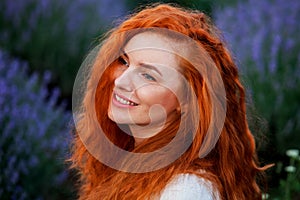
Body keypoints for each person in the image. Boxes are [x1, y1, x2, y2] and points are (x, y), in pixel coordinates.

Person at [70, 3, 268, 200]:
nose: (120, 81)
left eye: (148, 76)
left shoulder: (186, 190)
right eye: (124, 61)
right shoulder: (128, 159)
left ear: (188, 101)